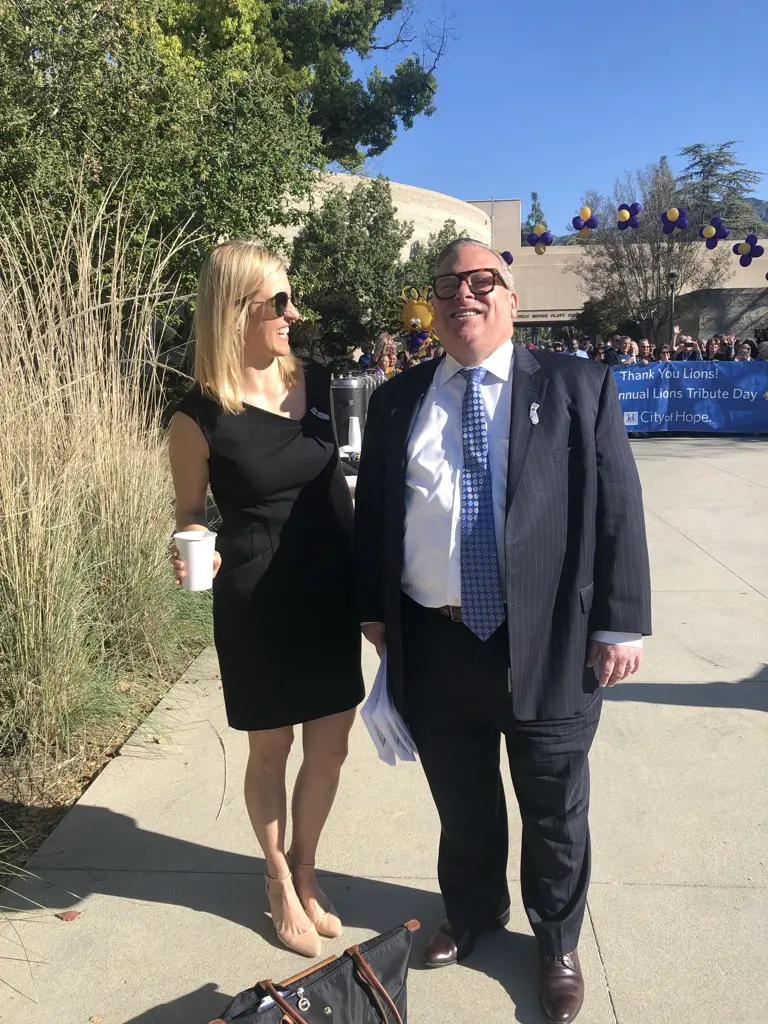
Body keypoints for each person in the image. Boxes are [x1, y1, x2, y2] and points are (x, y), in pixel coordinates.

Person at [355, 239, 652, 1024]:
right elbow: (379, 518)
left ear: (512, 299)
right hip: (436, 642)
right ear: (434, 306)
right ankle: (476, 911)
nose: (465, 295)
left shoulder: (578, 386)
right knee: (463, 802)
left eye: (483, 280)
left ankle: (556, 941)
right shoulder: (397, 400)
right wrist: (377, 618)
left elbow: (618, 506)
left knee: (554, 807)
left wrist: (622, 622)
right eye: (449, 284)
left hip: (550, 641)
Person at [169, 241, 364, 959]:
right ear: (235, 311)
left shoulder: (315, 382)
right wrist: (192, 540)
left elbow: (341, 481)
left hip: (329, 589)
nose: (294, 313)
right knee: (271, 748)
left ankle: (308, 867)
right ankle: (278, 879)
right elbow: (190, 511)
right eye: (278, 303)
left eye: (291, 298)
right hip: (258, 597)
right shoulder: (197, 417)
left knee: (332, 747)